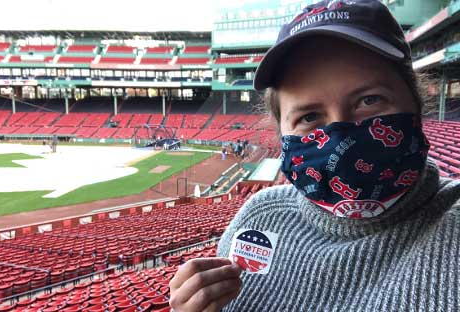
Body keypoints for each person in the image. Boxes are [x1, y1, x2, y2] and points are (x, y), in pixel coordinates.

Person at [169, 1, 460, 311]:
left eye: (369, 100)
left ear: (415, 104)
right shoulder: (257, 220)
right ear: (282, 133)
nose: (340, 131)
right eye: (308, 117)